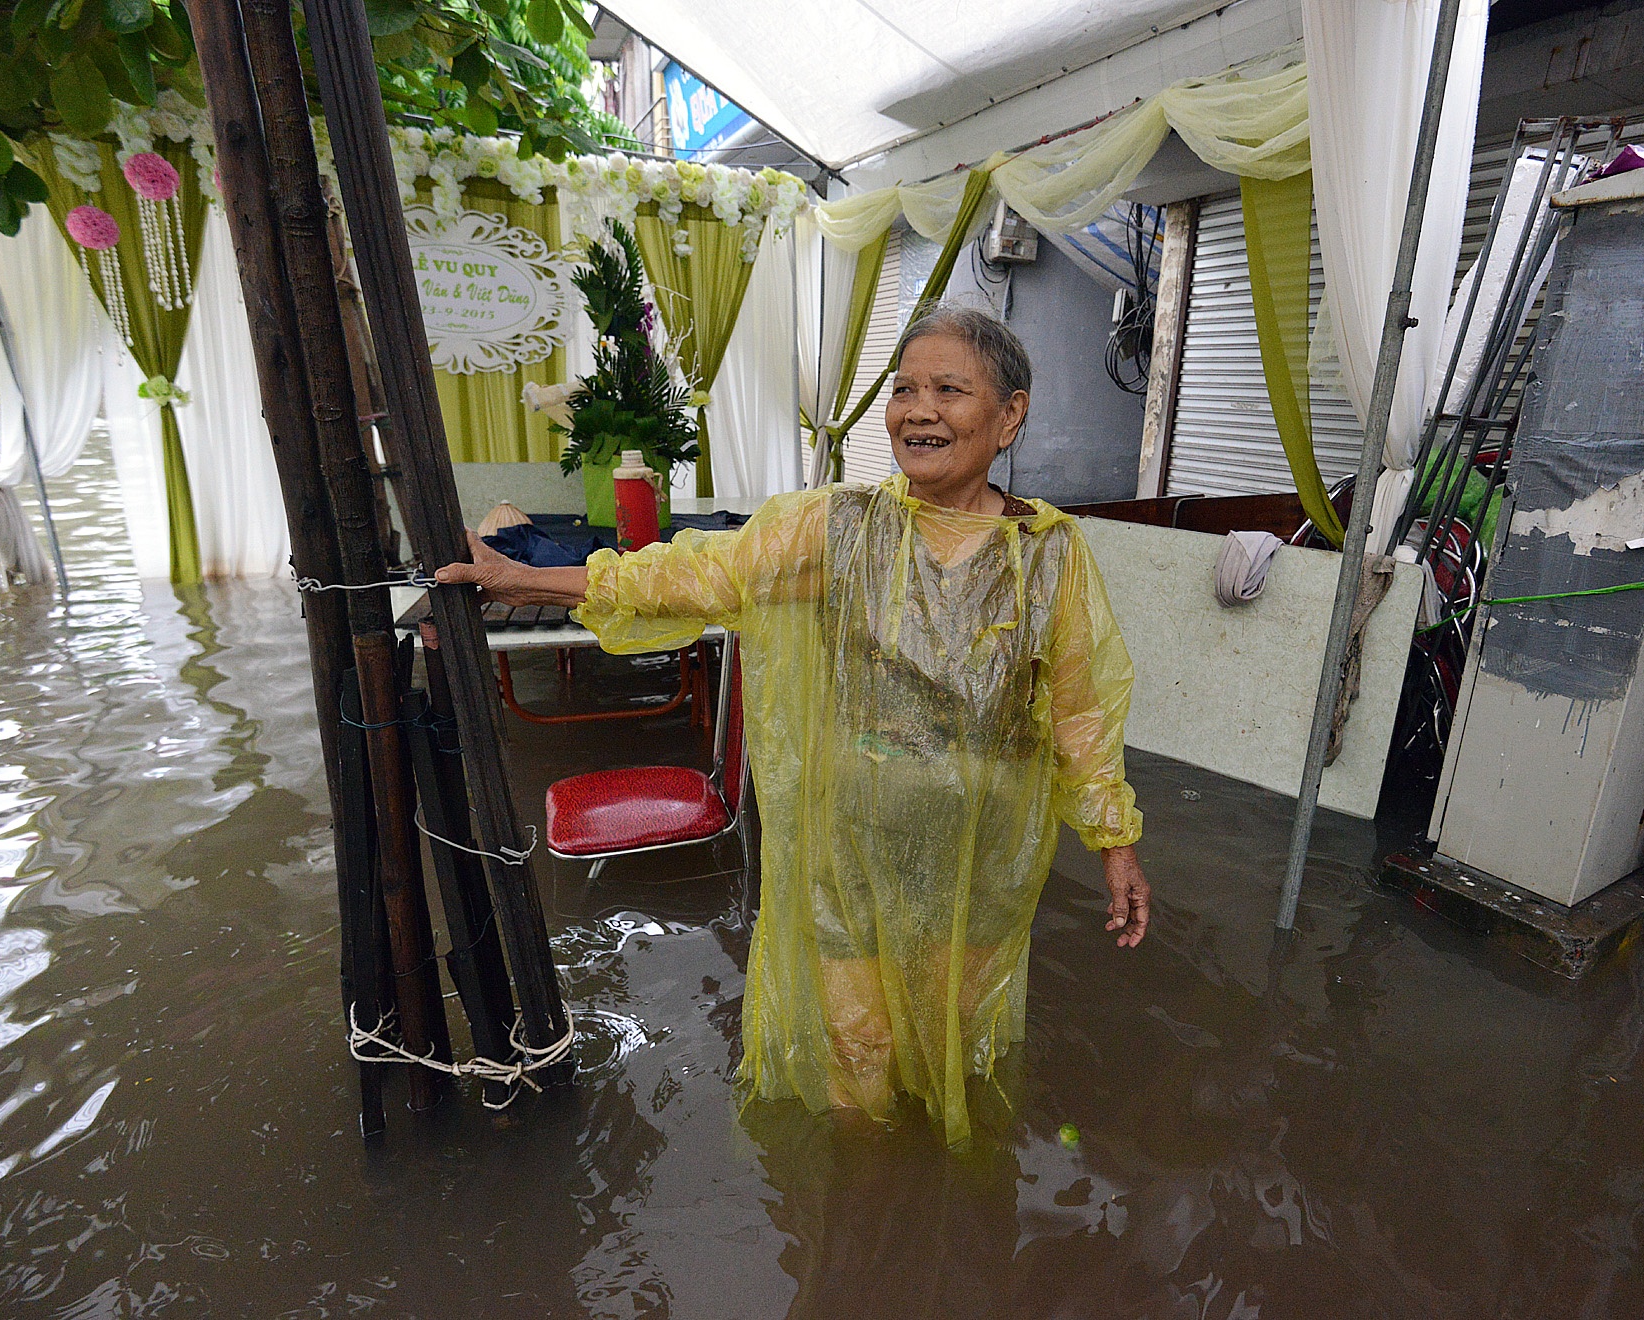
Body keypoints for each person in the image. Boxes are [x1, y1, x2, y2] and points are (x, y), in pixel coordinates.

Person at [439, 303, 1150, 1146]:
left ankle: (942, 1225)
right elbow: (697, 575)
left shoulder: (1049, 554)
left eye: (949, 390)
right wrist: (525, 581)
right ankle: (858, 1221)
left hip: (977, 867)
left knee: (954, 1049)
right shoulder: (840, 529)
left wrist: (1116, 845)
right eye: (903, 389)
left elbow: (1077, 710)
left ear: (1010, 416)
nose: (917, 410)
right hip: (851, 850)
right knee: (858, 1061)